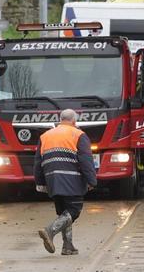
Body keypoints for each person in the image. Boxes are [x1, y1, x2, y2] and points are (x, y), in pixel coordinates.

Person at [34, 109, 97, 255]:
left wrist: (40, 182)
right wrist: (92, 181)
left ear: (60, 119)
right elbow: (86, 160)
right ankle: (50, 231)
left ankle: (68, 246)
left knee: (64, 213)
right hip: (72, 180)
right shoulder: (79, 135)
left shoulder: (45, 136)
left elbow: (38, 162)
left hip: (52, 180)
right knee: (74, 211)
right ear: (74, 121)